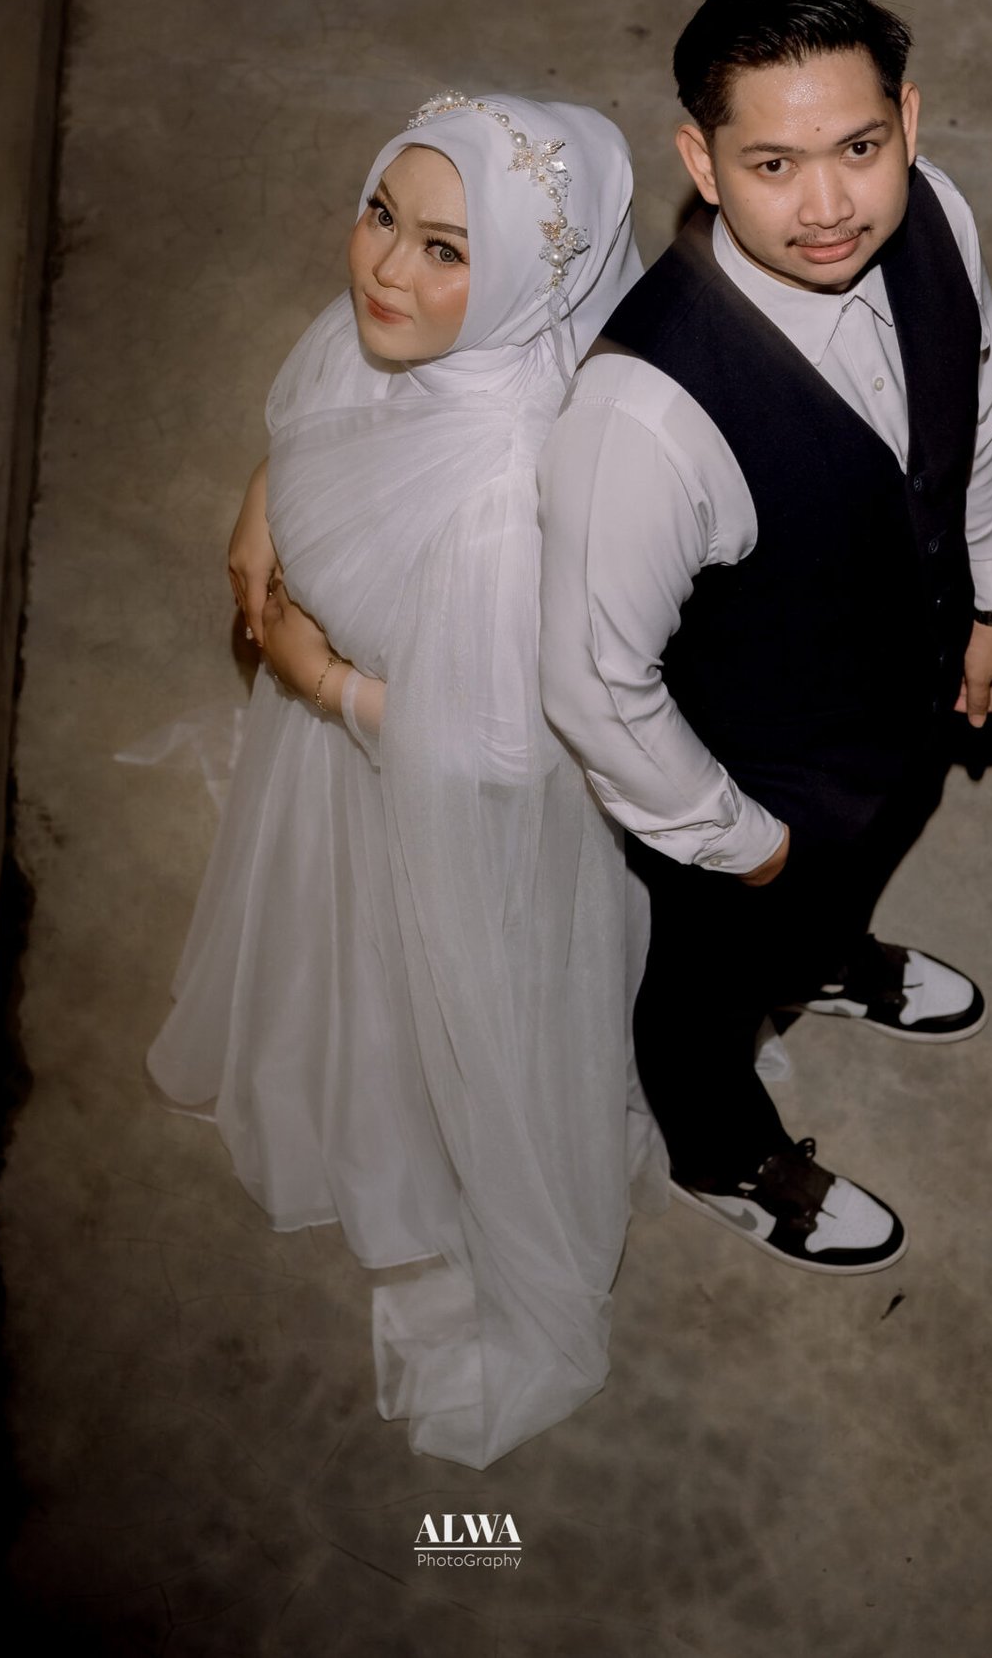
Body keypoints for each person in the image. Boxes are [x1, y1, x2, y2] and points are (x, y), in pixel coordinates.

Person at [148, 91, 656, 1466]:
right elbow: (327, 411)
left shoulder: (507, 498)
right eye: (383, 214)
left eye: (447, 250)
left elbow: (495, 754)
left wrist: (314, 677)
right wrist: (266, 502)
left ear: (529, 276)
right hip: (355, 749)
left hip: (442, 812)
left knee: (420, 1003)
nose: (383, 269)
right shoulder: (413, 331)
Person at [538, 0, 992, 1275]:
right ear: (701, 162)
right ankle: (720, 1151)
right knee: (705, 987)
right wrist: (739, 842)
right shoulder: (643, 417)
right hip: (753, 765)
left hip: (912, 684)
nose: (828, 207)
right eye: (772, 164)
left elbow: (972, 418)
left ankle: (820, 959)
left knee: (870, 845)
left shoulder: (938, 216)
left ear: (907, 121)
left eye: (858, 148)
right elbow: (594, 683)